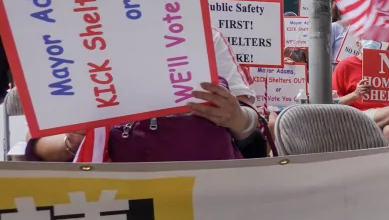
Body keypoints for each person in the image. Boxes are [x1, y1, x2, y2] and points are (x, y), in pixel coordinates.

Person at [29, 29, 259, 162]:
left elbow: (250, 125)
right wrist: (70, 144)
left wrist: (237, 117)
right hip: (109, 202)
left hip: (203, 197)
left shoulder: (204, 35)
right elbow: (35, 144)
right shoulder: (65, 43)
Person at [333, 40, 389, 145]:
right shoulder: (345, 65)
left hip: (383, 115)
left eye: (376, 39)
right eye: (368, 38)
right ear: (358, 44)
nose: (372, 41)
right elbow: (334, 102)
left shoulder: (386, 66)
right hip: (357, 116)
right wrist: (356, 94)